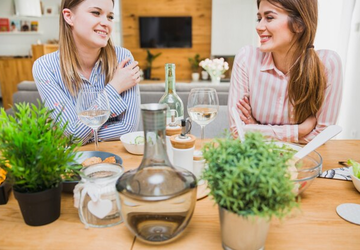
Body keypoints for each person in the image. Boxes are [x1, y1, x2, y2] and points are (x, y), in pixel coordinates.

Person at [228, 0, 343, 143]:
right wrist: (298, 131)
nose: (258, 26)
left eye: (269, 18)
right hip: (255, 160)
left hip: (304, 161)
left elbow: (322, 135)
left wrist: (255, 128)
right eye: (259, 18)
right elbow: (237, 131)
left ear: (299, 25)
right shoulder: (247, 58)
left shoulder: (327, 64)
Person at [33, 0, 141, 145]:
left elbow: (128, 128)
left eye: (110, 17)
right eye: (96, 13)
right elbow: (73, 134)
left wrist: (74, 133)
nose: (106, 23)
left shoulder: (123, 58)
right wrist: (115, 87)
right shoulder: (44, 67)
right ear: (69, 17)